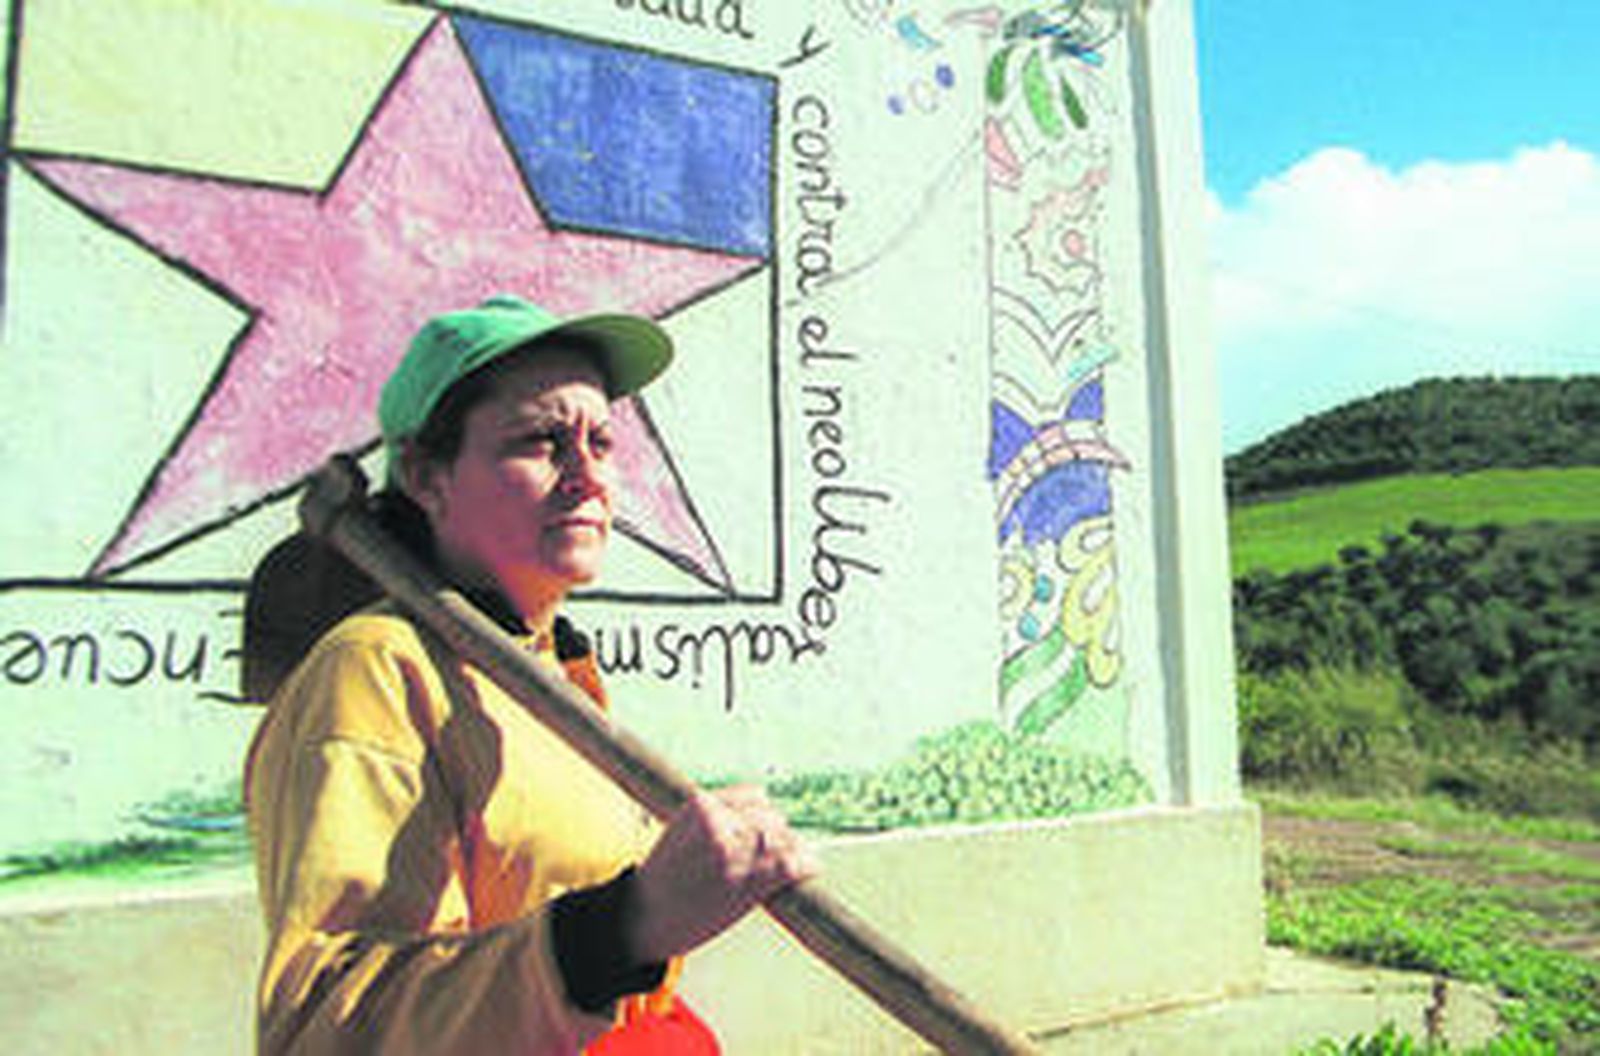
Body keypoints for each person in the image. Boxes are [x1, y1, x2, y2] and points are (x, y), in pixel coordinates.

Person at [244, 294, 816, 1054]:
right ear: (426, 474)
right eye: (543, 441)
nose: (586, 475)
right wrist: (625, 925)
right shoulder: (374, 674)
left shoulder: (550, 667)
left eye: (602, 443)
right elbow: (323, 1024)